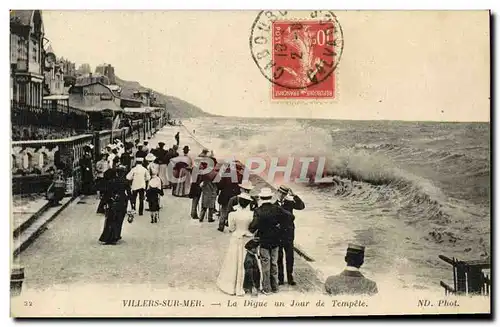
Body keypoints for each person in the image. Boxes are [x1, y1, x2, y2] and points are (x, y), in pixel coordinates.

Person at [249, 188, 293, 294]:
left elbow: (252, 227)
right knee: (274, 263)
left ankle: (266, 288)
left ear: (261, 198)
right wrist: (280, 226)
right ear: (270, 197)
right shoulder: (277, 208)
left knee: (265, 264)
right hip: (276, 240)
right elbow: (291, 217)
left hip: (264, 240)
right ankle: (275, 287)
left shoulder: (258, 211)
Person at [216, 193, 256, 296]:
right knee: (247, 261)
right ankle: (248, 285)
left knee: (234, 261)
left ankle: (233, 285)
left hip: (236, 238)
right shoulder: (252, 214)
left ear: (239, 202)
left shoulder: (232, 214)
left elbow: (231, 228)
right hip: (247, 239)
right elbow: (253, 228)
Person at [274, 185, 305, 286]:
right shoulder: (273, 204)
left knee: (289, 256)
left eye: (284, 194)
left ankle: (290, 277)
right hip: (278, 234)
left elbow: (301, 206)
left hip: (288, 233)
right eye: (281, 193)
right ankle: (281, 278)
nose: (282, 195)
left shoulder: (289, 203)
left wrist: (294, 195)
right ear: (277, 192)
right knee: (279, 256)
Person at [99, 165, 132, 245]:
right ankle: (116, 236)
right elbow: (129, 193)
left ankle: (108, 237)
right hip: (122, 201)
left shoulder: (111, 181)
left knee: (110, 219)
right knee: (119, 220)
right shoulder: (125, 181)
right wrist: (132, 204)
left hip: (112, 201)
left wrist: (103, 203)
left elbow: (107, 193)